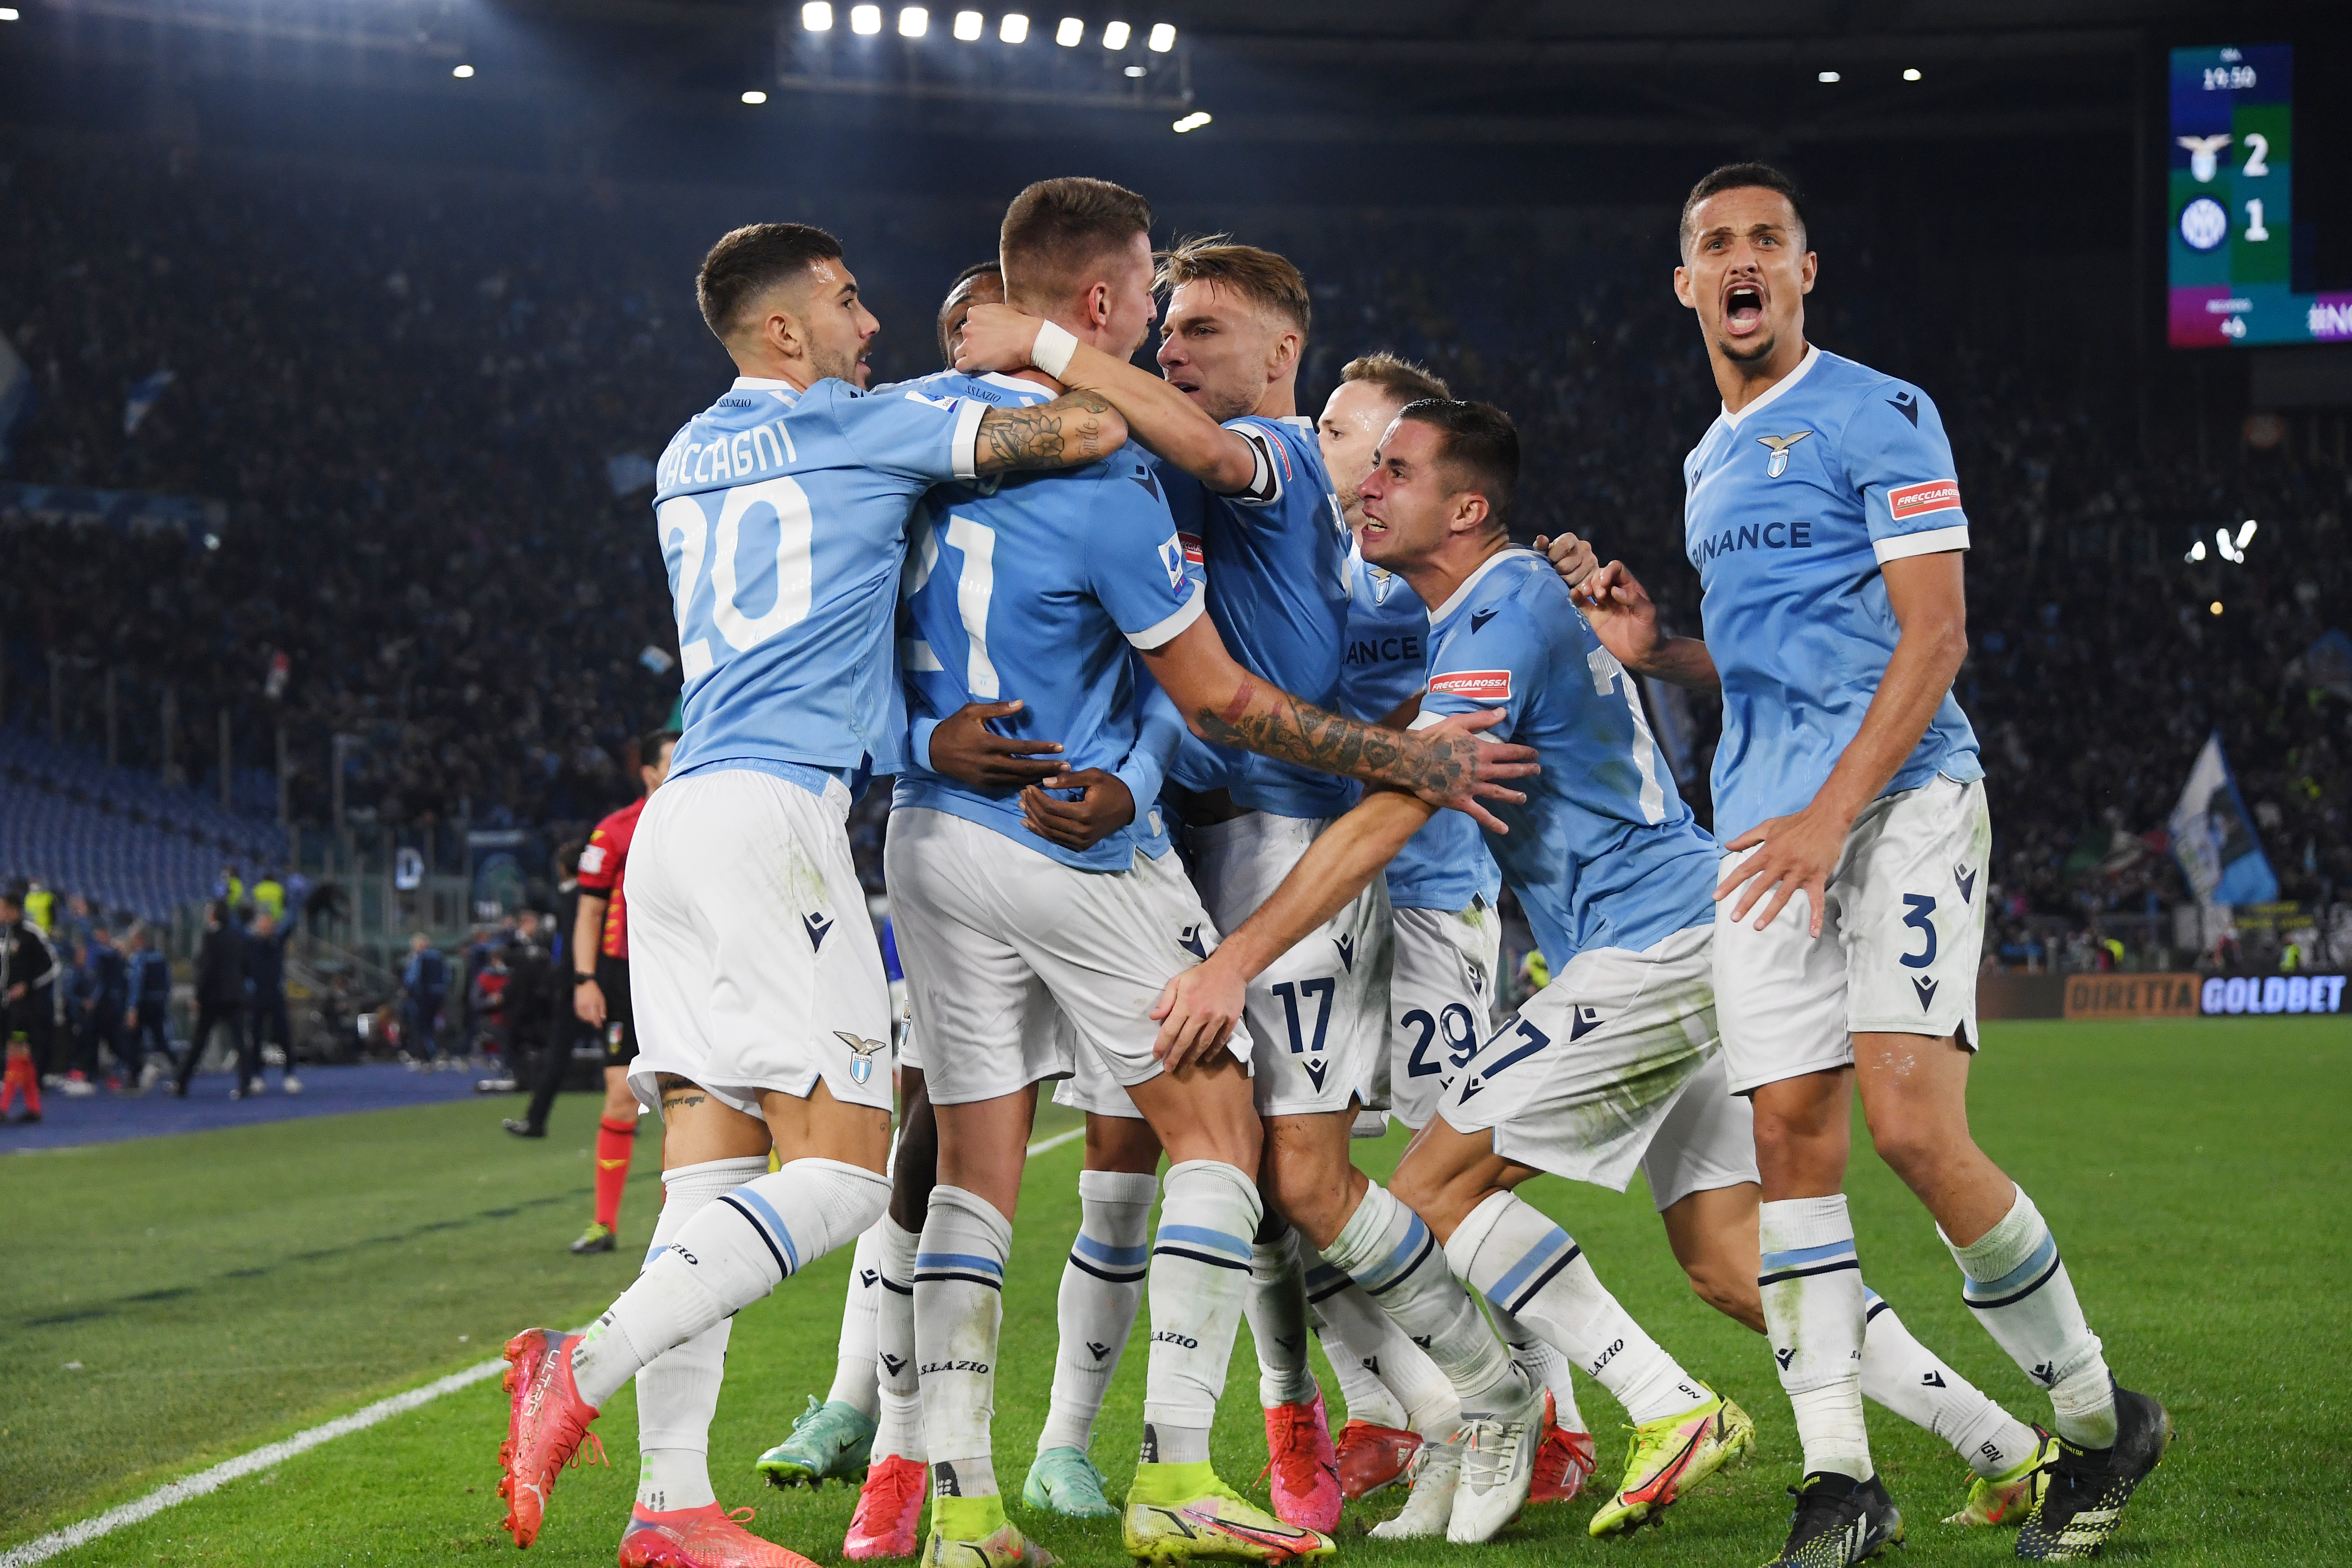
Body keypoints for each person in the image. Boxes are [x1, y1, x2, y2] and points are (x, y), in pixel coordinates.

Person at [493, 219, 1138, 1568]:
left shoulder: (683, 453)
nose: (871, 328)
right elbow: (1084, 433)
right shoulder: (866, 427)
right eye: (847, 306)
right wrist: (1033, 347)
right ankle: (580, 1362)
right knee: (847, 1175)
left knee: (704, 1179)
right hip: (773, 822)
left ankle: (669, 1505)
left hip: (675, 826)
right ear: (784, 330)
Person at [1545, 162, 2165, 1564]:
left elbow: (1931, 637)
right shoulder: (1704, 462)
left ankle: (2090, 1415)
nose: (1741, 258)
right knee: (1787, 1148)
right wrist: (1662, 654)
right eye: (1714, 243)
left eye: (1766, 237)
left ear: (1803, 271)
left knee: (1906, 1125)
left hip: (1896, 807)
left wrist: (1831, 817)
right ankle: (1840, 1481)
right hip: (1765, 832)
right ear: (1684, 284)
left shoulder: (1878, 411)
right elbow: (1766, 672)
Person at [958, 236, 1543, 1544]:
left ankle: (1498, 1392)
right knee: (1247, 1181)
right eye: (1164, 327)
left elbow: (1212, 470)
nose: (1170, 349)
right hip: (1181, 849)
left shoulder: (1266, 459)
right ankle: (1363, 1418)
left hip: (1286, 850)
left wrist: (1046, 344)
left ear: (1283, 355)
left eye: (1201, 331)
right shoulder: (1165, 483)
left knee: (1307, 1179)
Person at [564, 727, 678, 1256]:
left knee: (684, 1101)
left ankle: (674, 1225)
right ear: (649, 773)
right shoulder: (614, 831)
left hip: (683, 973)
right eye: (674, 761)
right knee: (620, 1098)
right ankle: (603, 1225)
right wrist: (585, 979)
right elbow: (588, 910)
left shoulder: (703, 824)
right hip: (623, 975)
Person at [508, 844, 588, 1138]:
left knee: (558, 1055)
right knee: (626, 1056)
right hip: (597, 984)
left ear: (562, 868)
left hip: (576, 988)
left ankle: (536, 1119)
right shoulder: (586, 897)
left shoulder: (570, 899)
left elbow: (569, 950)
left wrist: (565, 983)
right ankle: (629, 1118)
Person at [176, 900, 252, 1099]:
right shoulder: (237, 935)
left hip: (214, 998)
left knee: (199, 1042)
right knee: (239, 1042)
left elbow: (207, 969)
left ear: (213, 915)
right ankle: (246, 1084)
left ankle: (181, 1082)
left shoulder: (211, 936)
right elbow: (246, 964)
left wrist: (199, 995)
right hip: (235, 995)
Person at [1, 885, 58, 1122]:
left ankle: (3, 1107)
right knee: (22, 1057)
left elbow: (52, 966)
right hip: (10, 1005)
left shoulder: (31, 934)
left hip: (27, 1008)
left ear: (13, 910)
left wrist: (29, 986)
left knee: (16, 1052)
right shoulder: (6, 936)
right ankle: (34, 1108)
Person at [245, 908, 302, 1094]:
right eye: (264, 924)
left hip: (276, 996)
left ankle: (290, 1075)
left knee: (284, 1036)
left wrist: (295, 903)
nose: (267, 927)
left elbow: (292, 920)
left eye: (270, 924)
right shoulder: (251, 944)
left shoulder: (277, 943)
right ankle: (257, 1076)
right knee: (257, 1038)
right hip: (257, 997)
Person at [125, 925, 174, 1091]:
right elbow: (168, 982)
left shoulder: (139, 959)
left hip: (144, 1004)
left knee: (133, 1040)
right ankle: (178, 1072)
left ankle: (133, 1077)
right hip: (158, 1003)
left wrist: (132, 1008)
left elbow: (137, 984)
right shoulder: (160, 958)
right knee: (161, 1040)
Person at [400, 932, 448, 1067]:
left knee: (422, 1026)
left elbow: (412, 978)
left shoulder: (420, 958)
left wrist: (407, 991)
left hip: (422, 997)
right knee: (433, 1025)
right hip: (438, 995)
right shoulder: (439, 957)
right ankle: (432, 1052)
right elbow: (446, 977)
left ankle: (426, 1054)